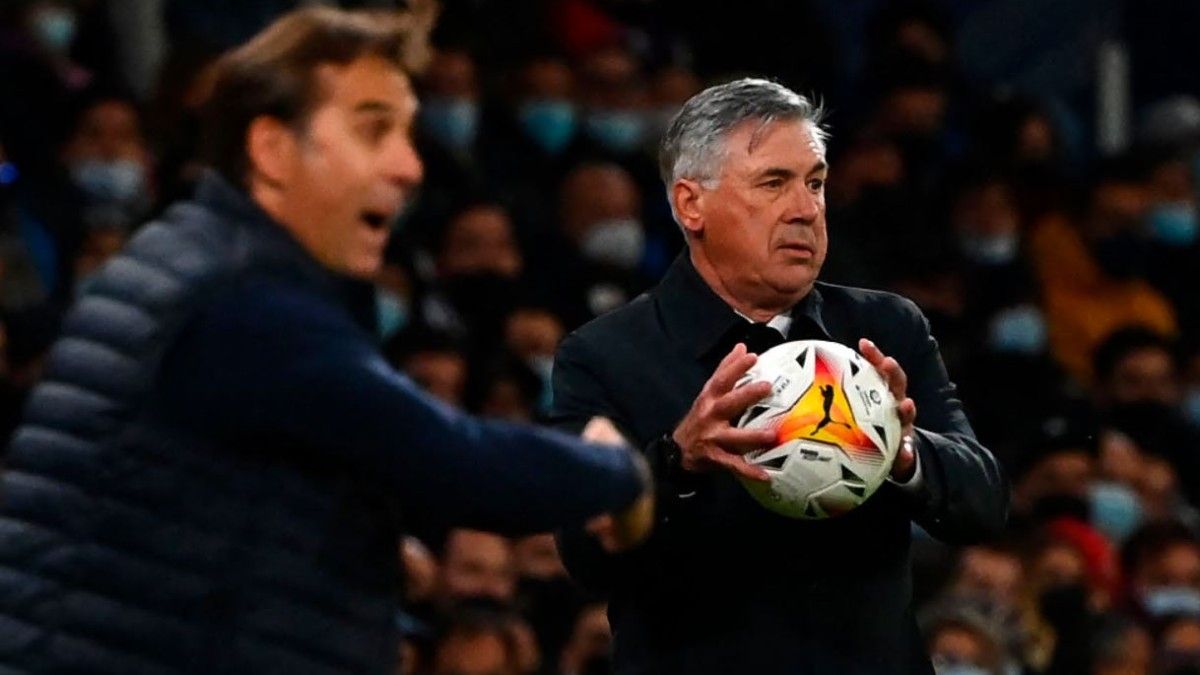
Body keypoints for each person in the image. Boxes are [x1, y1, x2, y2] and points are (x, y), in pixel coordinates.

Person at [0, 7, 654, 674]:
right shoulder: (253, 308)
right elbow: (458, 464)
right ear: (273, 150)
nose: (408, 165)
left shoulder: (183, 257)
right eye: (374, 130)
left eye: (406, 131)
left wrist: (337, 530)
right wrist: (615, 469)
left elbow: (167, 490)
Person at [550, 77, 1008, 674]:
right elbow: (585, 557)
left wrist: (903, 450)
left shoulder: (884, 328)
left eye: (814, 183)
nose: (805, 209)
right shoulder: (605, 355)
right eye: (773, 183)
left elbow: (986, 504)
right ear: (691, 204)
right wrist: (675, 462)